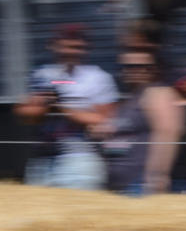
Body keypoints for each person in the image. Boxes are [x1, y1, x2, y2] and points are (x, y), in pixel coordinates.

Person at [14, 24, 118, 190]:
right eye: (66, 46)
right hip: (43, 159)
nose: (71, 52)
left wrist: (62, 107)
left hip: (81, 159)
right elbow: (26, 116)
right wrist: (42, 105)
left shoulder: (98, 77)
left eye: (77, 47)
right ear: (54, 46)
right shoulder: (40, 74)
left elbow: (105, 120)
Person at [98, 48, 183, 195]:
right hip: (117, 186)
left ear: (153, 69)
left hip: (140, 185)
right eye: (128, 66)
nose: (135, 70)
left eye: (143, 66)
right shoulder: (128, 100)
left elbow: (167, 134)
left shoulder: (157, 93)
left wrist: (157, 178)